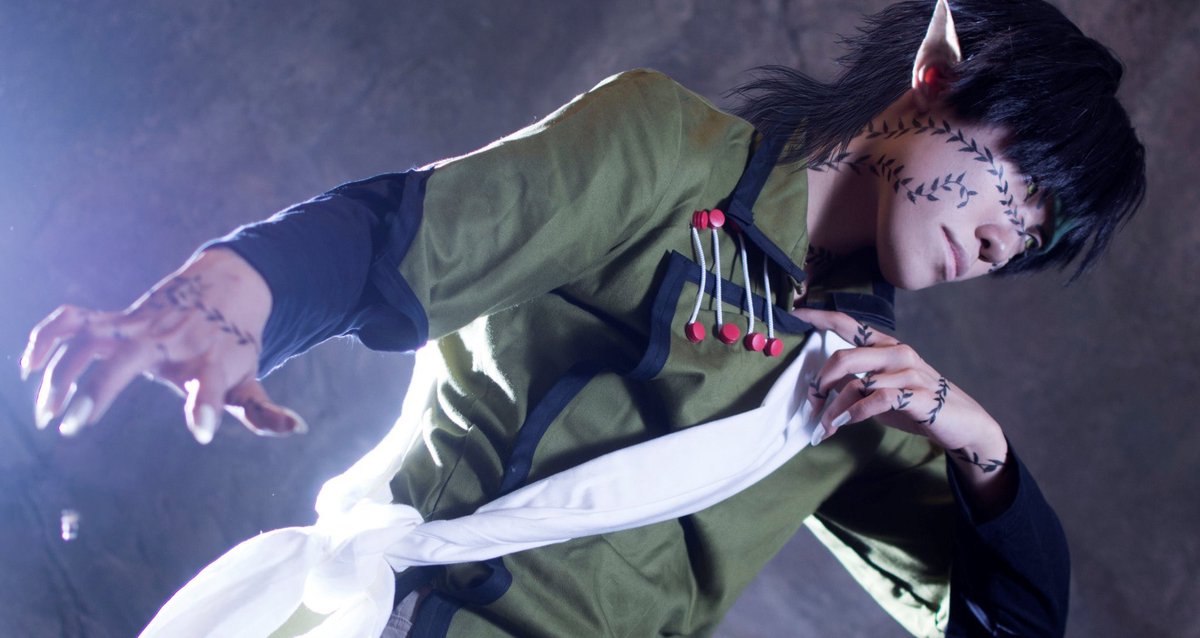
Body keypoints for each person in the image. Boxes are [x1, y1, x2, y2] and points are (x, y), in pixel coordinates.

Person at [21, 0, 1145, 636]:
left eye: (1036, 239)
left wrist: (981, 446)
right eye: (1020, 184)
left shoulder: (867, 389)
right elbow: (407, 235)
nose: (1007, 240)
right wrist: (232, 294)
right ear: (937, 74)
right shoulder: (668, 149)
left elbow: (1012, 626)